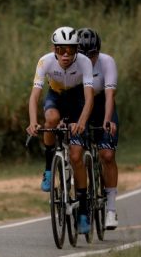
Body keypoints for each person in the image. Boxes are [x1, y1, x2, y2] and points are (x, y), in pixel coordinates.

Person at [26, 26, 95, 234]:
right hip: (55, 96)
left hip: (77, 100)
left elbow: (90, 97)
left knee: (76, 157)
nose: (65, 54)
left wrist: (81, 121)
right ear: (54, 49)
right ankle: (48, 170)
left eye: (70, 50)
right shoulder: (45, 61)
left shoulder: (83, 63)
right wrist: (31, 122)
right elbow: (34, 96)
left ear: (77, 50)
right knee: (51, 119)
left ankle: (83, 209)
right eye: (61, 49)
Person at [76, 27, 119, 229]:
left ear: (98, 52)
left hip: (102, 105)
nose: (89, 58)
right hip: (81, 104)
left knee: (107, 155)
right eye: (84, 54)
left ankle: (110, 209)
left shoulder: (107, 62)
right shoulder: (72, 64)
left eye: (92, 54)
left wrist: (108, 120)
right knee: (76, 150)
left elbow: (110, 96)